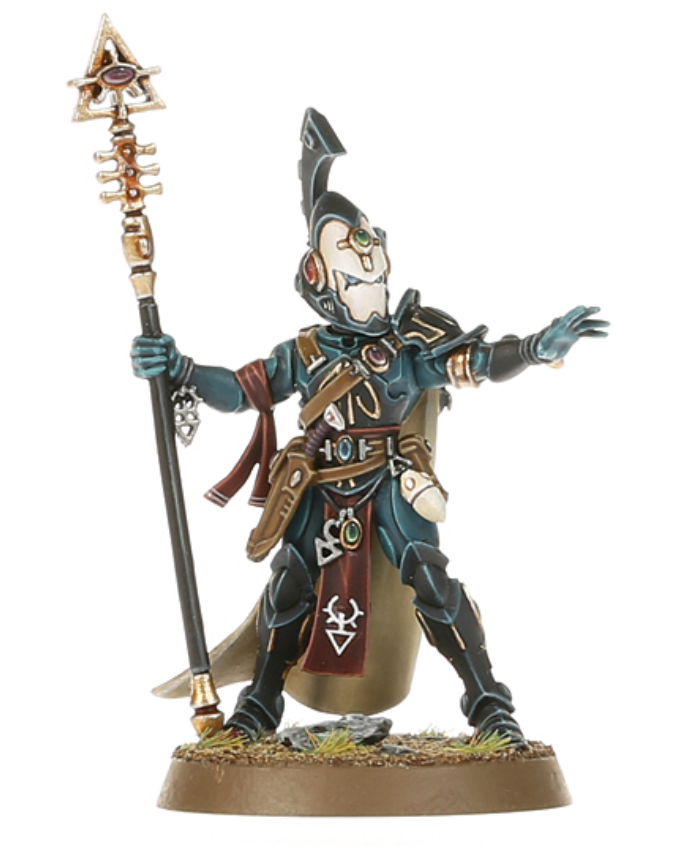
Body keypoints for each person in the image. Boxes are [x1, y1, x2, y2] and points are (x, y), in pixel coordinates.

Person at [132, 109, 608, 745]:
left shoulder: (412, 342)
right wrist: (182, 368)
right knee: (291, 582)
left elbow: (475, 362)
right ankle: (260, 705)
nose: (365, 260)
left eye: (369, 255)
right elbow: (244, 391)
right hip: (320, 481)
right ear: (320, 278)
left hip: (391, 477)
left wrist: (533, 349)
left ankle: (490, 702)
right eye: (350, 261)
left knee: (430, 578)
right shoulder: (306, 351)